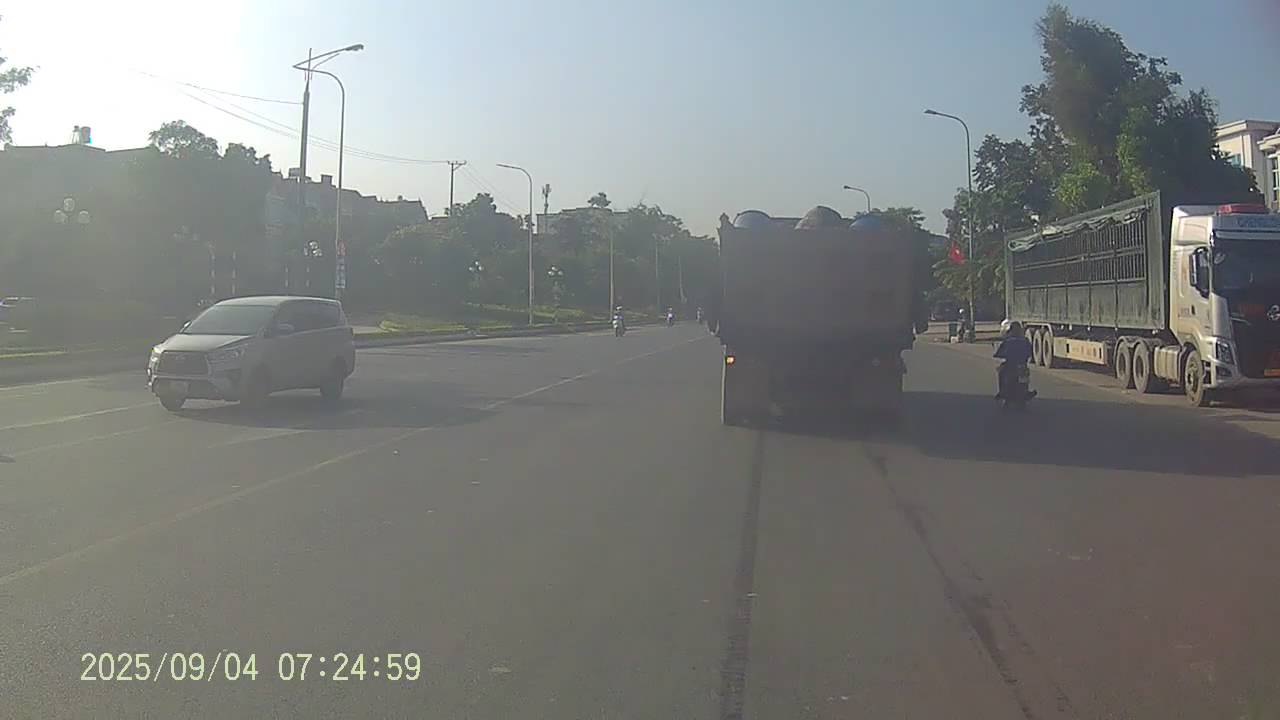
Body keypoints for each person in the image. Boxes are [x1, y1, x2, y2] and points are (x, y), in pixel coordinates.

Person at [993, 321, 1036, 400]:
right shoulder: (1025, 340)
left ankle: (1002, 392)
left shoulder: (1008, 341)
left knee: (1001, 371)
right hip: (1022, 364)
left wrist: (997, 354)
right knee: (1024, 374)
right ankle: (1025, 391)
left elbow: (999, 352)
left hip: (1010, 364)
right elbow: (1030, 352)